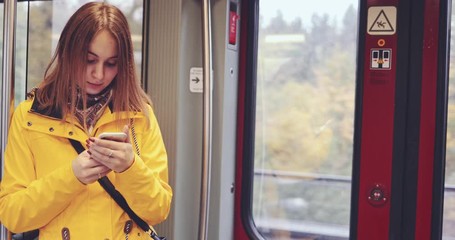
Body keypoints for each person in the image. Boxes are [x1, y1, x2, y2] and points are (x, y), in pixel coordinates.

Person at [0, 2, 172, 239]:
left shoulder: (140, 115)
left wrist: (130, 168)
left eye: (111, 64)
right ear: (68, 53)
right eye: (89, 60)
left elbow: (159, 209)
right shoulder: (29, 116)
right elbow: (13, 215)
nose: (99, 74)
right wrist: (71, 177)